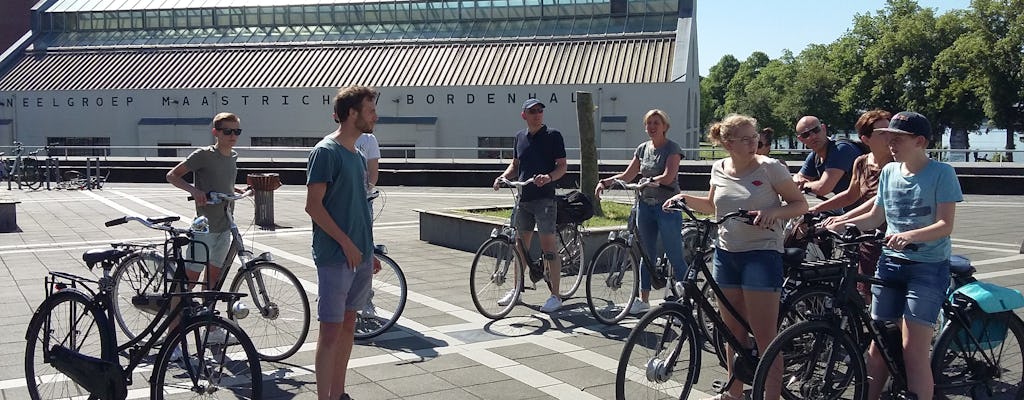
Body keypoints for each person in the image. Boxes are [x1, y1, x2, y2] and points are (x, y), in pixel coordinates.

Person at [666, 114, 807, 400]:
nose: (753, 142)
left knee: (765, 335)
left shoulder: (771, 168)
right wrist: (683, 199)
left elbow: (799, 204)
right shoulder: (719, 168)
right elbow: (711, 205)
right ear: (728, 144)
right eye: (746, 139)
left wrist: (773, 212)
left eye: (754, 137)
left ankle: (771, 396)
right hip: (726, 254)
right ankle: (734, 393)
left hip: (761, 253)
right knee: (731, 332)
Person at [827, 111, 962, 400]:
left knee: (913, 350)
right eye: (888, 137)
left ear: (920, 141)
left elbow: (945, 225)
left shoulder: (942, 173)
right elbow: (877, 216)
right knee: (879, 346)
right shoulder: (889, 172)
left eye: (898, 138)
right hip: (890, 263)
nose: (891, 143)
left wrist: (909, 236)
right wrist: (840, 224)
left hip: (927, 266)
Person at [306, 86, 379, 400]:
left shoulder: (358, 154)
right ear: (352, 113)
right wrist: (347, 244)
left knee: (349, 325)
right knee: (331, 331)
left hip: (359, 255)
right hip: (336, 256)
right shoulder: (326, 152)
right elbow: (313, 206)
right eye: (370, 109)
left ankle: (338, 393)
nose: (375, 116)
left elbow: (359, 208)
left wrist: (368, 250)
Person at [595, 109, 687, 314]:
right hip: (645, 206)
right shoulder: (642, 148)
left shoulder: (673, 149)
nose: (652, 127)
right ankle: (643, 299)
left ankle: (688, 299)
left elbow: (669, 175)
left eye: (656, 123)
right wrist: (605, 182)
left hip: (667, 207)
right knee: (646, 253)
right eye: (649, 123)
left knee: (674, 254)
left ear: (665, 126)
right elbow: (629, 174)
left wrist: (651, 181)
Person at [492, 98, 568, 313]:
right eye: (532, 111)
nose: (537, 114)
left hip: (544, 198)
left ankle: (555, 295)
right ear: (524, 115)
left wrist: (549, 177)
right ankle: (517, 290)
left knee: (548, 246)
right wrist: (503, 177)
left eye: (540, 111)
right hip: (524, 198)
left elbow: (562, 166)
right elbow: (516, 165)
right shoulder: (520, 137)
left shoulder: (553, 136)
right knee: (520, 246)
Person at [813, 109, 893, 302]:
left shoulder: (897, 165)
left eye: (891, 130)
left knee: (884, 294)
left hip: (890, 235)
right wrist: (816, 209)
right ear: (865, 139)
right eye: (882, 132)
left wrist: (843, 219)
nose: (890, 136)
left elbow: (878, 201)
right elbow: (851, 195)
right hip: (867, 233)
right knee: (863, 289)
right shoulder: (862, 162)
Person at [166, 112, 242, 291]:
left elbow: (224, 183)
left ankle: (205, 316)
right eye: (227, 131)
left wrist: (241, 190)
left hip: (226, 224)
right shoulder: (204, 155)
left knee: (214, 276)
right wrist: (195, 191)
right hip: (204, 224)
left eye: (237, 131)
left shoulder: (233, 156)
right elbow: (172, 175)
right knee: (191, 277)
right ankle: (176, 316)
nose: (233, 136)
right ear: (215, 132)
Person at [792, 116, 862, 196]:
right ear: (801, 139)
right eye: (806, 134)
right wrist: (796, 178)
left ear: (823, 128)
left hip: (870, 206)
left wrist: (802, 185)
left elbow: (822, 188)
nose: (813, 136)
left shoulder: (841, 150)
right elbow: (799, 177)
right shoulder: (814, 156)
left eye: (816, 130)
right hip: (847, 205)